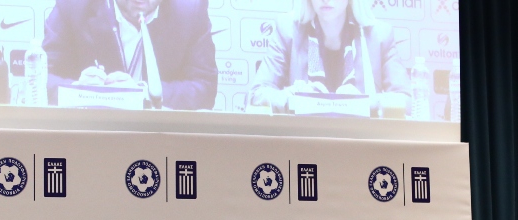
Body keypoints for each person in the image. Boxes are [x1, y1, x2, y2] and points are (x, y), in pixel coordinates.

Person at [43, 0, 218, 110]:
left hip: (159, 137)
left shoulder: (191, 9)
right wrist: (79, 91)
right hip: (88, 132)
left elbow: (205, 87)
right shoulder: (74, 5)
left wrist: (142, 94)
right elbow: (42, 78)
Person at [247, 0, 409, 115]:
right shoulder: (288, 30)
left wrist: (364, 102)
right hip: (303, 141)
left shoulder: (379, 35)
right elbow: (256, 95)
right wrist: (294, 98)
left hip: (361, 143)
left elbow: (406, 101)